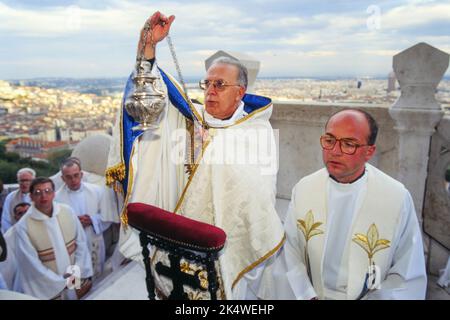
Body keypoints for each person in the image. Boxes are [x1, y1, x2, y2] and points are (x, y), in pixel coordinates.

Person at [107, 11, 284, 299]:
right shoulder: (194, 118)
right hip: (177, 242)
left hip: (225, 247)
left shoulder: (257, 132)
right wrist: (148, 46)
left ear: (240, 93)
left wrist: (210, 150)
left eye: (220, 85)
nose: (210, 91)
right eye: (207, 83)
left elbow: (257, 193)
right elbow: (154, 96)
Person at [261, 109, 427, 300]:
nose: (335, 151)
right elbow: (289, 251)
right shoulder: (305, 189)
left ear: (369, 152)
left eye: (349, 144)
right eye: (330, 141)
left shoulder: (396, 198)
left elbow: (407, 273)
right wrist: (307, 295)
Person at [15, 177, 93, 300]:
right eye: (38, 193)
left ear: (54, 193)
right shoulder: (23, 226)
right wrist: (60, 283)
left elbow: (81, 244)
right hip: (49, 288)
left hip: (76, 278)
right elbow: (31, 263)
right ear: (31, 197)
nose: (43, 196)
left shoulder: (67, 211)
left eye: (47, 191)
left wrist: (74, 275)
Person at [55, 157, 110, 280]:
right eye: (68, 177)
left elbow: (108, 215)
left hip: (93, 241)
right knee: (75, 284)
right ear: (62, 178)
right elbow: (55, 225)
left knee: (97, 282)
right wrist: (73, 223)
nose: (73, 180)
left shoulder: (97, 191)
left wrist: (92, 220)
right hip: (71, 247)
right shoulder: (57, 199)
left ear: (81, 174)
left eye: (76, 175)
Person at [0, 202, 30, 291]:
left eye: (27, 212)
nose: (24, 215)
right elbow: (7, 268)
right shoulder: (8, 237)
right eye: (20, 213)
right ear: (15, 217)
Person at [1, 168, 35, 233]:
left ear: (33, 180)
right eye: (21, 181)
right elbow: (5, 220)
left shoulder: (39, 195)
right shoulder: (11, 197)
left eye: (27, 180)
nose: (24, 183)